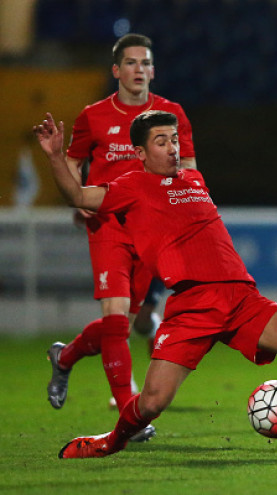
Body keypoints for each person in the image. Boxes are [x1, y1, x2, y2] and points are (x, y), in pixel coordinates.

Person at [34, 110, 277, 459]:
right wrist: (54, 157)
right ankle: (110, 442)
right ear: (141, 153)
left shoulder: (194, 179)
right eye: (161, 142)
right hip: (192, 304)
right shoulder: (131, 186)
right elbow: (78, 197)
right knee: (153, 401)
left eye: (174, 139)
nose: (172, 147)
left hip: (240, 295)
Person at [47, 33, 196, 425]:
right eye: (130, 63)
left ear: (153, 70)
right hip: (108, 224)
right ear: (116, 70)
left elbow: (190, 172)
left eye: (145, 63)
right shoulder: (93, 116)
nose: (138, 70)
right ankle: (131, 417)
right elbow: (74, 169)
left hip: (151, 234)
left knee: (124, 325)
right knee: (115, 319)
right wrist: (75, 193)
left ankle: (64, 357)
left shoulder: (171, 113)